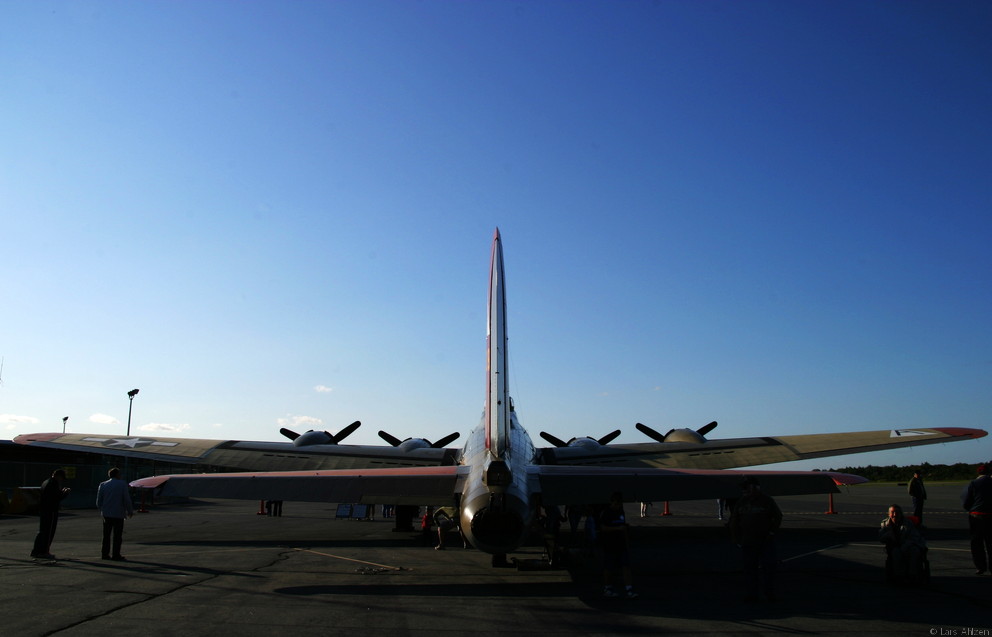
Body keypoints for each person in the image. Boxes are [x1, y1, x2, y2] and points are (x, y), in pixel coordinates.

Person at [729, 476, 782, 602]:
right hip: (748, 541)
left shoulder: (767, 501)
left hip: (765, 540)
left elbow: (778, 516)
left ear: (755, 487)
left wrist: (771, 532)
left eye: (747, 487)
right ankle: (752, 594)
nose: (744, 490)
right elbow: (734, 520)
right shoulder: (742, 501)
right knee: (750, 569)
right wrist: (735, 537)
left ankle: (769, 593)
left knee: (768, 568)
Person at [599, 492, 637, 598]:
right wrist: (617, 529)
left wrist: (627, 542)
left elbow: (623, 526)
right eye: (616, 503)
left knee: (626, 566)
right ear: (612, 502)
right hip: (610, 544)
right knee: (609, 567)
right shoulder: (606, 513)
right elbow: (603, 528)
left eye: (620, 504)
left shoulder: (620, 511)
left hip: (621, 544)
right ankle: (607, 587)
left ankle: (629, 588)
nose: (618, 506)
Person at [879, 503, 927, 584]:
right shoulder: (885, 524)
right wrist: (887, 536)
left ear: (901, 514)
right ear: (889, 514)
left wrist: (904, 546)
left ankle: (913, 575)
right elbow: (881, 538)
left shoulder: (908, 523)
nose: (894, 515)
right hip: (895, 546)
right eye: (892, 512)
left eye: (897, 512)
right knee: (896, 553)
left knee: (914, 552)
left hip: (910, 545)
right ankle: (899, 576)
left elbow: (914, 537)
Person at [96, 467, 134, 561]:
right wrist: (130, 510)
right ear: (117, 475)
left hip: (107, 513)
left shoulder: (103, 484)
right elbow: (126, 498)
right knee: (117, 535)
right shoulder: (122, 484)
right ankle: (116, 554)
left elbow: (99, 500)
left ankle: (105, 553)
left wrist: (102, 509)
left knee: (106, 535)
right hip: (118, 513)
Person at [31, 469, 71, 559]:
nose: (61, 480)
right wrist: (65, 493)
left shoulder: (46, 482)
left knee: (42, 531)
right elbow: (55, 497)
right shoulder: (54, 483)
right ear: (59, 476)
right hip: (51, 510)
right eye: (62, 478)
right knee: (48, 532)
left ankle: (36, 550)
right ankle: (44, 551)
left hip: (44, 509)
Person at [962, 462, 992, 575]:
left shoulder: (974, 483)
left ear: (978, 473)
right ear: (988, 472)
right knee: (990, 542)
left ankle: (980, 567)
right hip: (990, 516)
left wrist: (971, 509)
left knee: (976, 543)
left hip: (976, 515)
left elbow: (966, 501)